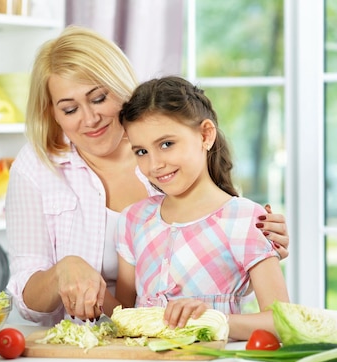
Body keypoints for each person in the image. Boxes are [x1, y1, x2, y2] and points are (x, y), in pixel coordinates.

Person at [5, 25, 290, 327]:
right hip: (103, 346)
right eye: (70, 108)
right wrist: (66, 273)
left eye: (99, 98)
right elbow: (126, 313)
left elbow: (255, 295)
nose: (89, 119)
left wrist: (259, 244)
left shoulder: (195, 171)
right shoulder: (131, 217)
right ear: (52, 113)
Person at [115, 76, 290, 340]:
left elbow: (280, 322)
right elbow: (123, 314)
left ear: (206, 135)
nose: (155, 164)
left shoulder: (245, 219)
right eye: (141, 151)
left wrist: (213, 319)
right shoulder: (134, 219)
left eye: (166, 144)